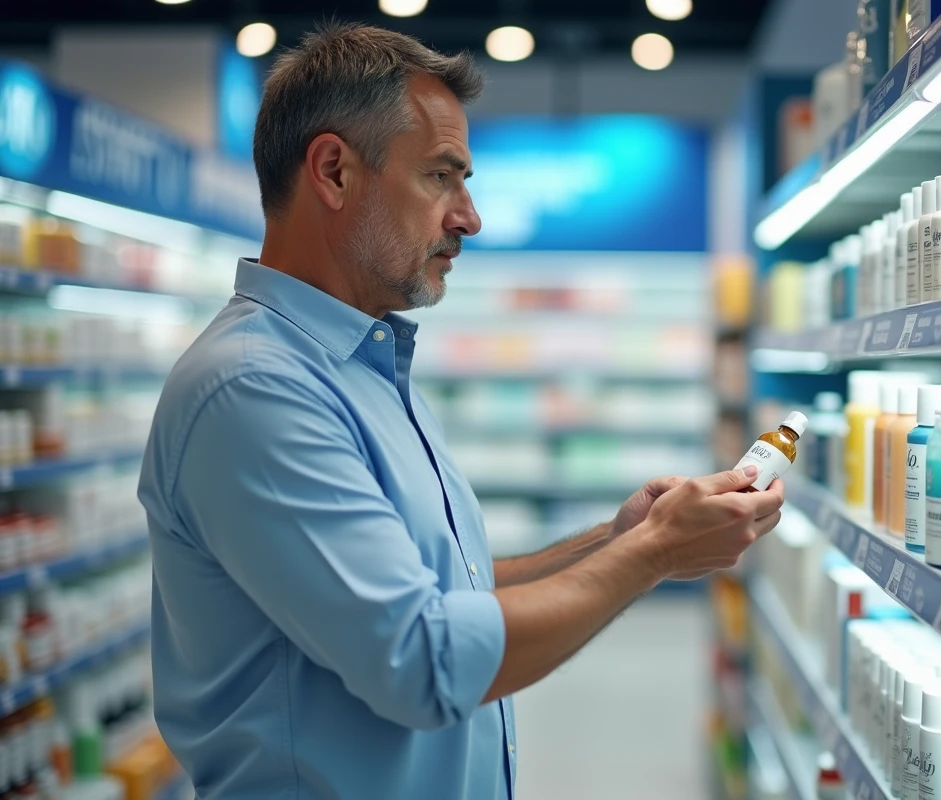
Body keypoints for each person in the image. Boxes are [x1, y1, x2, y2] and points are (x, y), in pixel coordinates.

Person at [137, 22, 783, 800]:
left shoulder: (365, 367)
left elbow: (443, 591)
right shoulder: (252, 389)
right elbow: (423, 659)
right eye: (441, 177)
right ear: (335, 172)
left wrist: (619, 540)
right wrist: (653, 559)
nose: (469, 217)